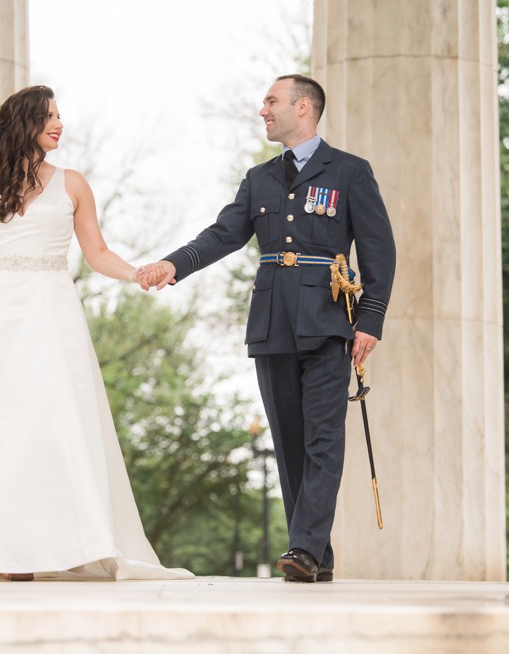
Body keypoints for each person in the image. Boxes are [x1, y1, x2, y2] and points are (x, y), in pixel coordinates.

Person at [139, 74, 396, 583]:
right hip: (272, 321)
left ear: (303, 107)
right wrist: (175, 264)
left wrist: (371, 319)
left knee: (323, 440)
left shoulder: (349, 172)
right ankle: (316, 556)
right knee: (289, 439)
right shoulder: (259, 178)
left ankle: (301, 547)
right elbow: (224, 234)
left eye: (271, 101)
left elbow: (378, 249)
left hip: (327, 321)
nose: (263, 110)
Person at [0, 85, 192, 582]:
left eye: (59, 116)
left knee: (56, 426)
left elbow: (96, 253)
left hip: (52, 317)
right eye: (49, 116)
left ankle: (66, 542)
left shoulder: (73, 184)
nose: (59, 124)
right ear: (23, 123)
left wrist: (137, 272)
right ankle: (10, 552)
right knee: (2, 428)